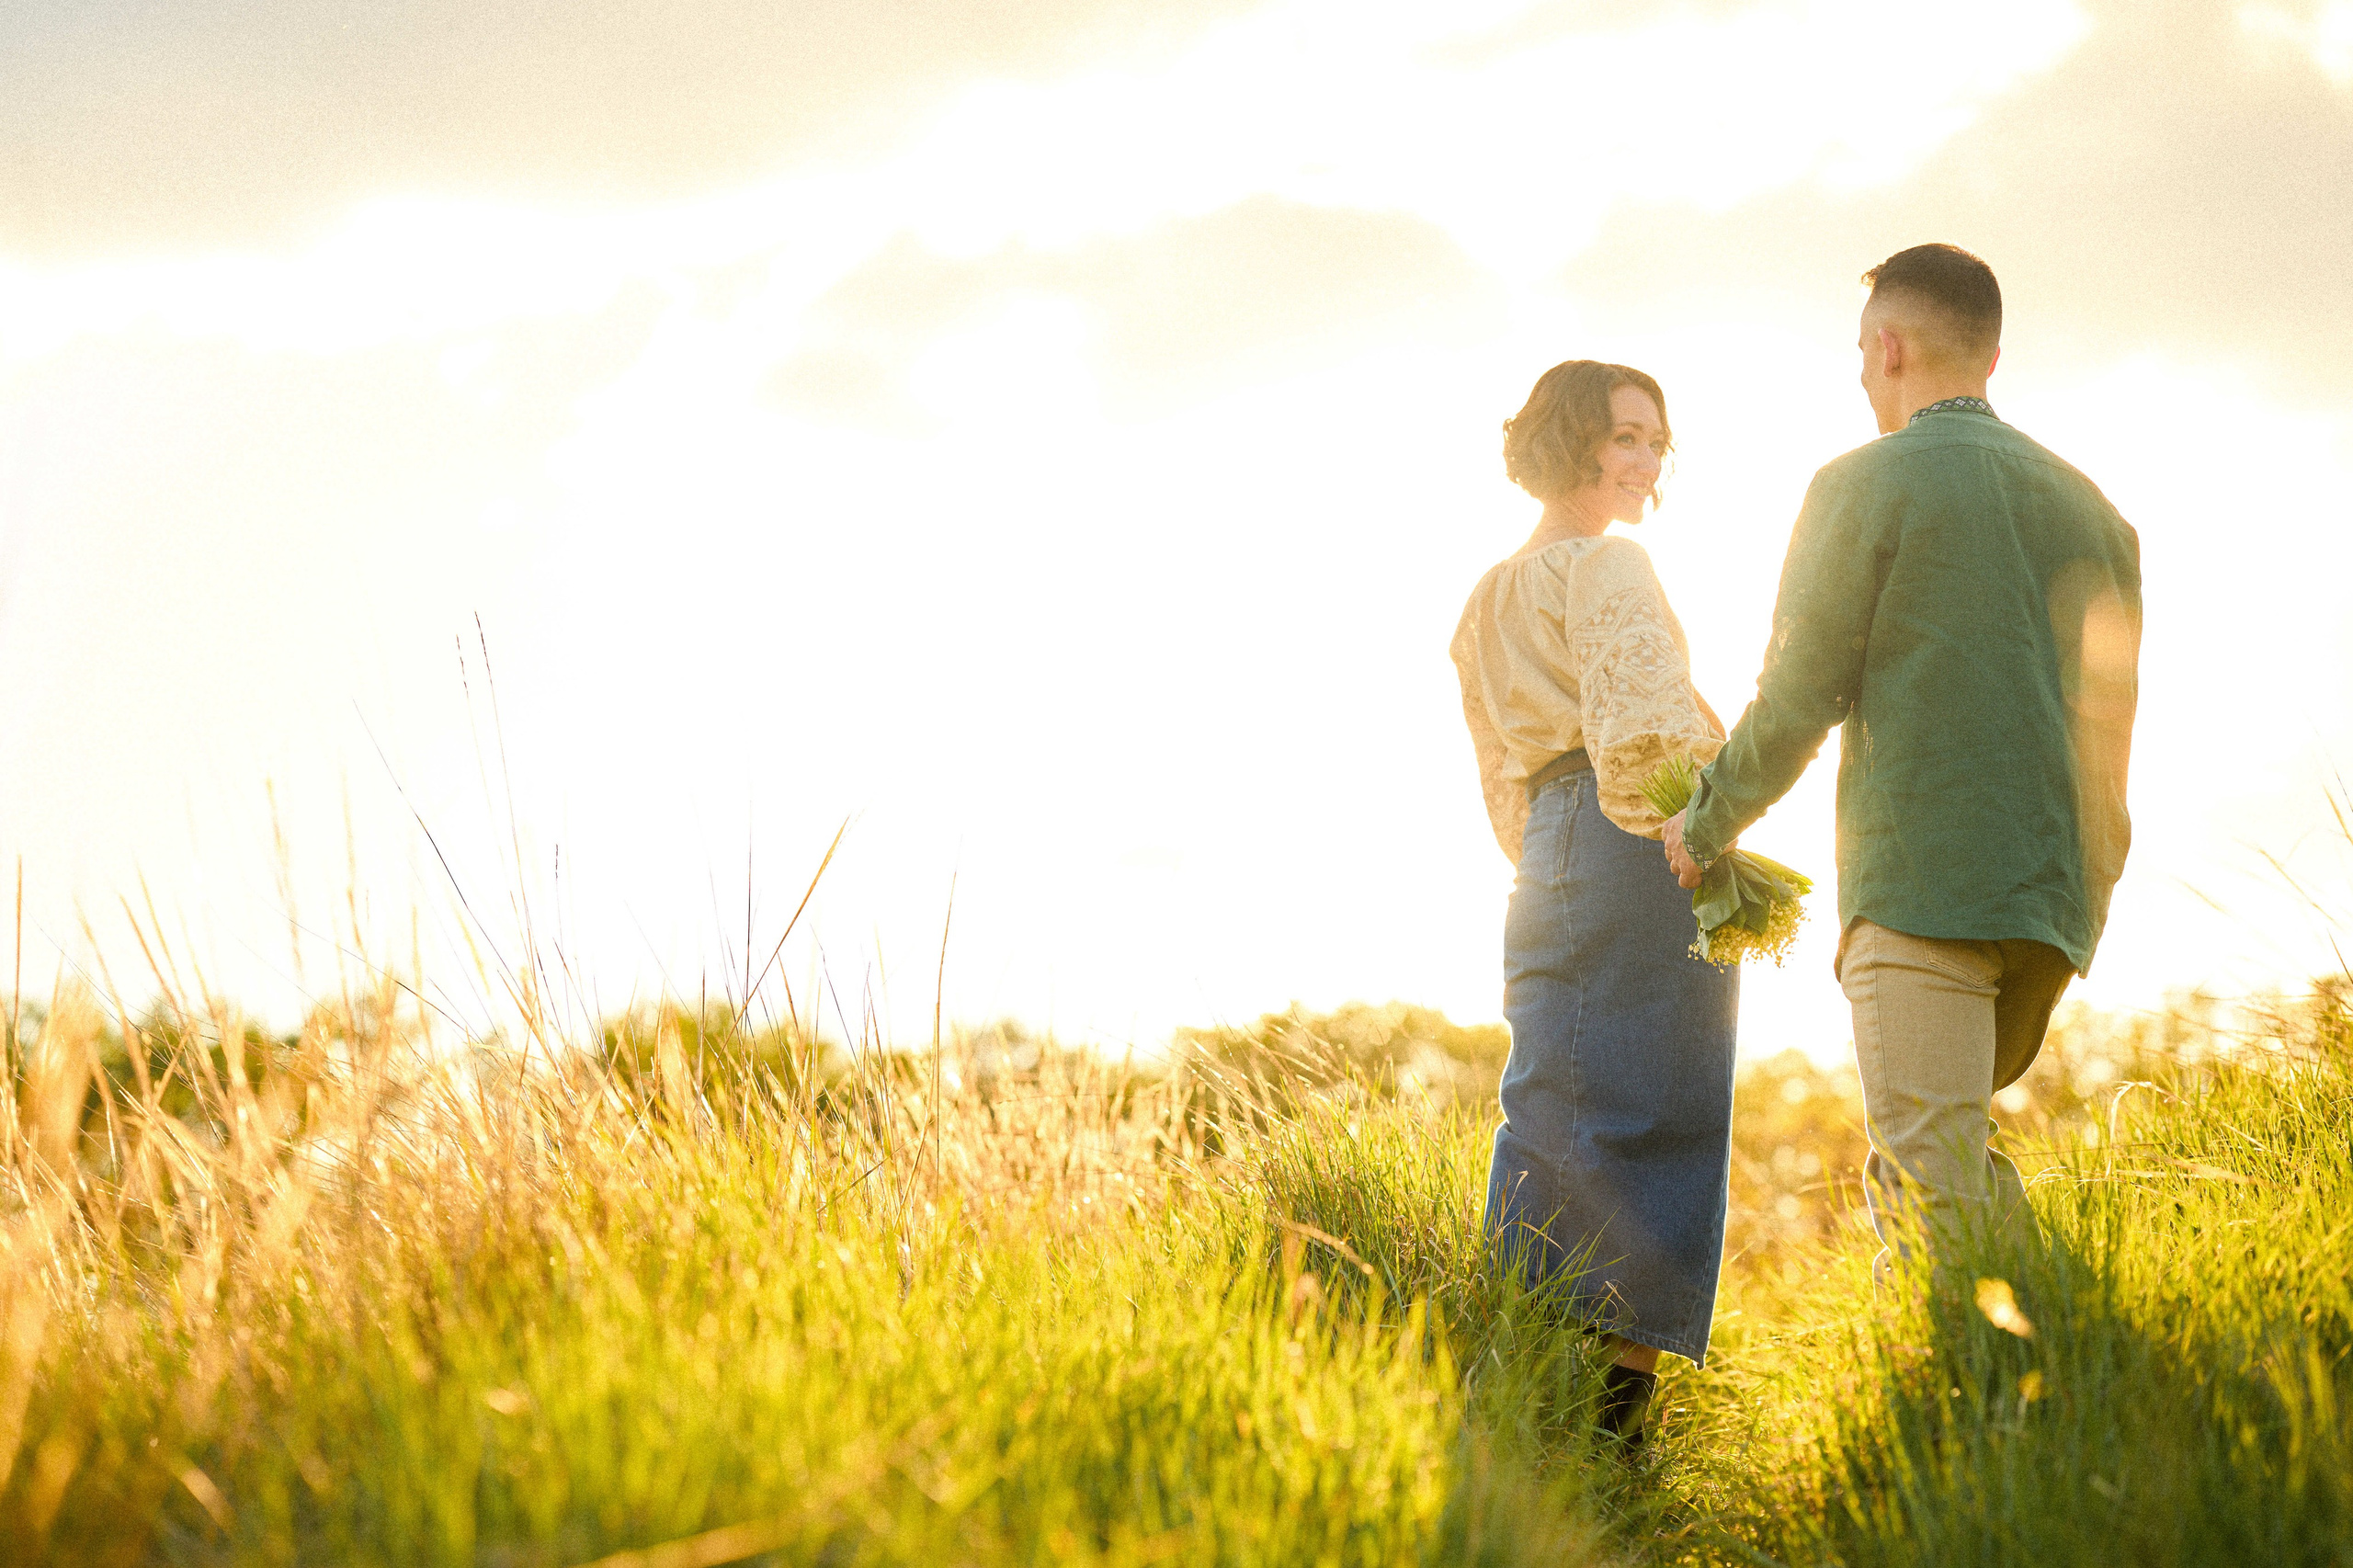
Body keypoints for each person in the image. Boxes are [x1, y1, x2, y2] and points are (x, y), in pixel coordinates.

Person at [1664, 244, 2143, 1276]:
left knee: (1932, 1193)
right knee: (1950, 1158)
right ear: (1990, 356)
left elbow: (1801, 691)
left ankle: (1977, 1372)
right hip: (2052, 906)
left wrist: (1705, 820)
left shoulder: (1860, 483)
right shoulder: (2096, 513)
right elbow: (2112, 725)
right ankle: (2060, 1341)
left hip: (1924, 888)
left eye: (1859, 352)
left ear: (1887, 348)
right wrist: (2090, 886)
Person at [1451, 359, 1738, 1448]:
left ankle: (1516, 1380)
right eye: (1625, 436)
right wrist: (1699, 832)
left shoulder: (1484, 597)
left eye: (1656, 443)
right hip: (1636, 831)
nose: (1645, 461)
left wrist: (1547, 854)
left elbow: (1496, 766)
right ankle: (1613, 1431)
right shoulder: (1609, 565)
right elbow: (1646, 722)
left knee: (1547, 1104)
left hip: (1548, 850)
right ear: (1571, 438)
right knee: (1662, 1107)